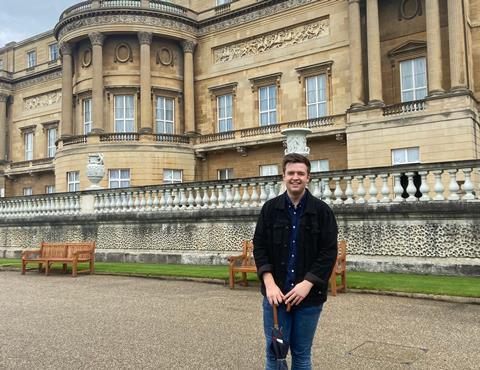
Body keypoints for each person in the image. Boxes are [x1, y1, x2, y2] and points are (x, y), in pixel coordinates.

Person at [253, 153, 338, 370]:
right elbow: (260, 247)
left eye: (301, 173)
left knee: (301, 354)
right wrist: (269, 283)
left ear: (308, 177)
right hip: (276, 299)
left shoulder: (322, 212)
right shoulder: (270, 209)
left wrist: (307, 284)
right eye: (291, 173)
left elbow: (328, 253)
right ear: (284, 176)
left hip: (308, 299)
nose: (295, 177)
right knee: (276, 354)